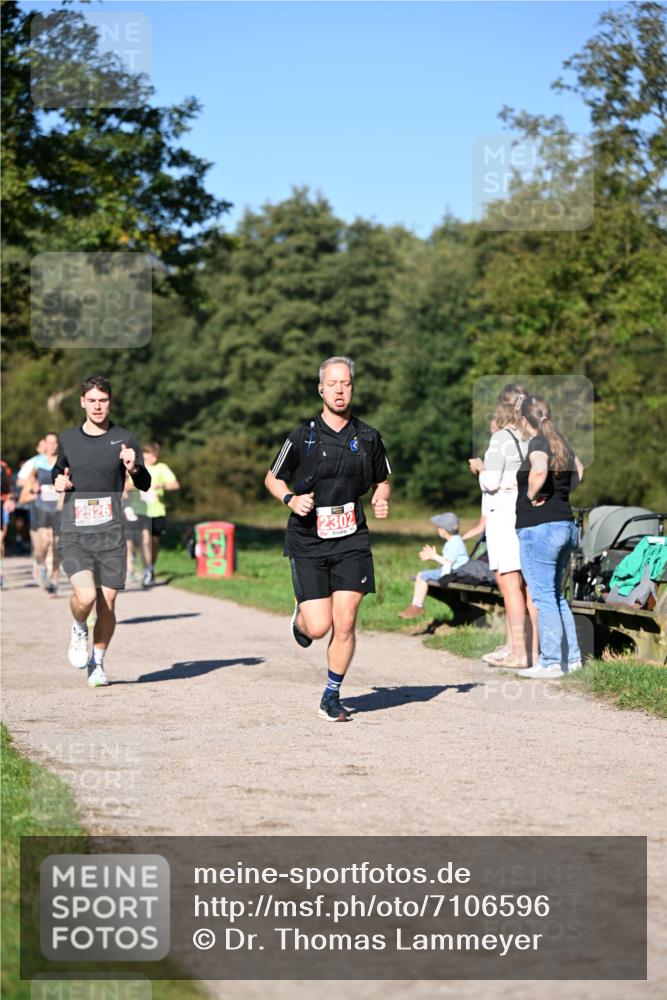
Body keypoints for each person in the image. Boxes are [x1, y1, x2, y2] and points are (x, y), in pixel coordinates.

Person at [264, 356, 391, 722]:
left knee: (346, 619)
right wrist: (290, 498)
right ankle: (301, 618)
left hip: (351, 537)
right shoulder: (302, 436)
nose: (340, 390)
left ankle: (331, 695)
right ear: (321, 389)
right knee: (318, 627)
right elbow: (272, 478)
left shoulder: (368, 437)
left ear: (352, 388)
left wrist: (382, 497)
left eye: (346, 383)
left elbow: (382, 479)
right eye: (333, 383)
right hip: (308, 540)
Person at [53, 375, 151, 687]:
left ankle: (97, 663)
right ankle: (79, 626)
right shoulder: (68, 439)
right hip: (75, 533)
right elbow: (58, 471)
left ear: (110, 402)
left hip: (111, 534)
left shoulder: (124, 438)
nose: (98, 406)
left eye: (103, 400)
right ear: (82, 402)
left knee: (107, 604)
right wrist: (59, 482)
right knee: (84, 598)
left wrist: (134, 467)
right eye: (92, 400)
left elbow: (145, 482)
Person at [514, 395, 584, 678]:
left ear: (523, 420)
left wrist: (532, 496)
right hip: (565, 525)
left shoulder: (537, 443)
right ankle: (573, 659)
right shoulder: (562, 443)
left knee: (543, 597)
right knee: (556, 596)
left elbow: (540, 469)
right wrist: (561, 494)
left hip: (539, 529)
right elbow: (578, 471)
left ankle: (552, 662)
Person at [469, 386, 539, 668]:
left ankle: (518, 653)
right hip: (527, 514)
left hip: (504, 517)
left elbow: (491, 482)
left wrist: (480, 468)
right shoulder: (532, 437)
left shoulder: (501, 438)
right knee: (529, 585)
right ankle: (531, 650)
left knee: (509, 583)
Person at [125, 442, 180, 587]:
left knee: (154, 543)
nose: (151, 457)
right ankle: (146, 569)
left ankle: (150, 568)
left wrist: (160, 485)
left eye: (153, 454)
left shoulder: (162, 468)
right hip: (140, 511)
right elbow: (126, 486)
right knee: (144, 541)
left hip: (157, 511)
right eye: (148, 453)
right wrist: (137, 485)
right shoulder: (137, 468)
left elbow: (175, 485)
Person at [398, 512, 469, 619]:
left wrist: (434, 556)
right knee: (422, 575)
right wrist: (434, 556)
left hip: (455, 573)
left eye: (439, 527)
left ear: (444, 531)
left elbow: (447, 563)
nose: (438, 529)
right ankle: (416, 605)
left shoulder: (453, 543)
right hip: (456, 571)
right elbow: (448, 562)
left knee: (422, 576)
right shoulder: (455, 540)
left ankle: (417, 606)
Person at [19, 431, 62, 596]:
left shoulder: (62, 461)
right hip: (40, 508)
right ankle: (41, 564)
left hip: (58, 509)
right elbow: (25, 481)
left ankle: (54, 583)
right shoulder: (36, 462)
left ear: (57, 445)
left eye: (54, 443)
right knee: (43, 544)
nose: (51, 446)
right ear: (44, 444)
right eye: (48, 442)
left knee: (58, 547)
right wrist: (33, 485)